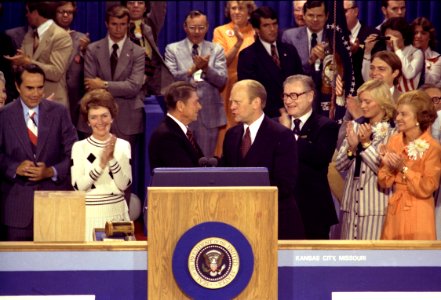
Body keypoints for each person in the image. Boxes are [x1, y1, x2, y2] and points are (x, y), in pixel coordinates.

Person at [0, 64, 78, 241]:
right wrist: (14, 168)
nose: (36, 93)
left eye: (40, 87)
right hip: (16, 209)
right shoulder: (4, 116)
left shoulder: (59, 112)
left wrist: (51, 171)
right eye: (29, 88)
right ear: (18, 86)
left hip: (54, 203)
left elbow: (74, 154)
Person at [221, 79, 304, 239]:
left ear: (256, 103)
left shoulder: (281, 135)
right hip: (239, 224)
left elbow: (285, 184)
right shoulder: (231, 135)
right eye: (231, 102)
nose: (232, 107)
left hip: (274, 223)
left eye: (237, 102)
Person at [279, 74, 338, 239]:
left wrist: (288, 135)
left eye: (294, 95)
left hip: (313, 210)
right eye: (285, 95)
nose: (288, 101)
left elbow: (318, 157)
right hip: (282, 211)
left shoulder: (326, 126)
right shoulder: (275, 126)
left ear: (310, 96)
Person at [336, 79, 396, 240]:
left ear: (382, 103)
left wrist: (365, 144)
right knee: (349, 259)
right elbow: (340, 165)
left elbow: (385, 170)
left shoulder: (394, 132)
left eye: (367, 101)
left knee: (373, 258)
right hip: (351, 204)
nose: (362, 106)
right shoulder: (355, 126)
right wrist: (352, 147)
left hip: (376, 205)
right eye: (361, 101)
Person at [379, 90, 441, 240]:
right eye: (398, 113)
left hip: (419, 211)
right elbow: (383, 182)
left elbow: (427, 187)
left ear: (419, 117)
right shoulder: (395, 140)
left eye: (404, 114)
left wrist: (404, 169)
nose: (398, 118)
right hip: (395, 209)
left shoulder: (433, 147)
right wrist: (388, 167)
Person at [165, 10, 227, 157]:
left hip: (209, 114)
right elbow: (170, 79)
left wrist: (206, 68)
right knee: (182, 160)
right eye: (193, 28)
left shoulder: (216, 49)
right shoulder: (172, 49)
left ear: (207, 27)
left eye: (201, 27)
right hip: (182, 114)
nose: (197, 32)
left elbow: (221, 80)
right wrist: (192, 70)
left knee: (205, 161)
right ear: (185, 27)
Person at [71, 89, 131, 241]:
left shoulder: (123, 146)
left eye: (104, 116)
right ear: (87, 121)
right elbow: (78, 186)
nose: (100, 122)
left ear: (112, 117)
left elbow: (123, 184)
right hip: (89, 215)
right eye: (94, 117)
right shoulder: (79, 147)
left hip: (117, 214)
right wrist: (100, 164)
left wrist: (111, 159)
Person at [82, 5, 145, 151]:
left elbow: (134, 87)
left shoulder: (138, 52)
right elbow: (90, 86)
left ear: (128, 25)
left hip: (127, 119)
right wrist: (119, 87)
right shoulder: (93, 49)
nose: (118, 28)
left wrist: (103, 84)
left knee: (123, 168)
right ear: (106, 24)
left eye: (123, 24)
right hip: (97, 117)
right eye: (114, 24)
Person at [238, 6, 303, 118]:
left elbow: (301, 81)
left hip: (295, 114)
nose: (272, 29)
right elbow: (251, 93)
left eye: (274, 24)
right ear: (256, 29)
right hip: (266, 118)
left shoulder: (290, 50)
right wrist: (281, 110)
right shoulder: (247, 56)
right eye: (266, 25)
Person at [4, 2, 73, 107]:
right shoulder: (30, 35)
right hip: (29, 102)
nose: (26, 15)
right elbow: (23, 62)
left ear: (35, 12)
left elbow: (56, 72)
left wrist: (27, 62)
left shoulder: (60, 36)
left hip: (52, 102)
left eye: (27, 12)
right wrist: (16, 63)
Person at [212, 0, 256, 156]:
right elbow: (219, 61)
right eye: (233, 8)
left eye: (241, 8)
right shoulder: (221, 31)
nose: (236, 12)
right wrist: (238, 44)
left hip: (251, 88)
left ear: (249, 11)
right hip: (228, 87)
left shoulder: (256, 31)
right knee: (228, 128)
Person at [149, 81, 204, 171]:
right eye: (195, 102)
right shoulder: (166, 137)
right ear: (180, 106)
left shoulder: (181, 131)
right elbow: (185, 174)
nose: (199, 106)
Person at [123, 0, 173, 96]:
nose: (136, 6)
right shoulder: (119, 26)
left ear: (145, 8)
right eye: (131, 3)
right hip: (129, 79)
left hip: (153, 79)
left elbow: (159, 6)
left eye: (140, 3)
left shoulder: (151, 23)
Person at [363, 17, 424, 93]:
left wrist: (397, 49)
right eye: (388, 37)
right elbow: (367, 78)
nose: (391, 40)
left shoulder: (416, 53)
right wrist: (367, 52)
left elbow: (409, 74)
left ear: (404, 36)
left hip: (407, 98)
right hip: (384, 96)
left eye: (395, 37)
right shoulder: (384, 53)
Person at [54, 1, 90, 125]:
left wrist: (86, 51)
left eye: (69, 12)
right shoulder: (46, 37)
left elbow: (89, 70)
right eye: (61, 11)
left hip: (75, 99)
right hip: (53, 95)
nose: (65, 15)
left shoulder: (81, 38)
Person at [344, 0, 382, 90]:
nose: (340, 16)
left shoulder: (373, 34)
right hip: (341, 90)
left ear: (356, 11)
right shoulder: (335, 34)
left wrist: (357, 52)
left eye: (344, 11)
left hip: (365, 90)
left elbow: (378, 66)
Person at [411, 17, 441, 88]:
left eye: (423, 33)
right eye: (415, 33)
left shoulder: (438, 58)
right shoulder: (405, 56)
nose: (418, 36)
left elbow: (434, 83)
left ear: (430, 36)